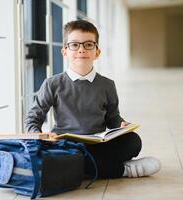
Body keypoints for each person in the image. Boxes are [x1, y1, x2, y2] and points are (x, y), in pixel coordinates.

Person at [25, 20, 161, 179]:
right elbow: (32, 119)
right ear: (65, 52)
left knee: (133, 142)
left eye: (88, 44)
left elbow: (113, 118)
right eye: (74, 45)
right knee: (53, 156)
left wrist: (122, 125)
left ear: (97, 52)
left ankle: (79, 168)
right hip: (64, 145)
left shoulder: (107, 85)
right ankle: (123, 170)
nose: (81, 50)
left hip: (97, 144)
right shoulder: (52, 84)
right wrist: (41, 136)